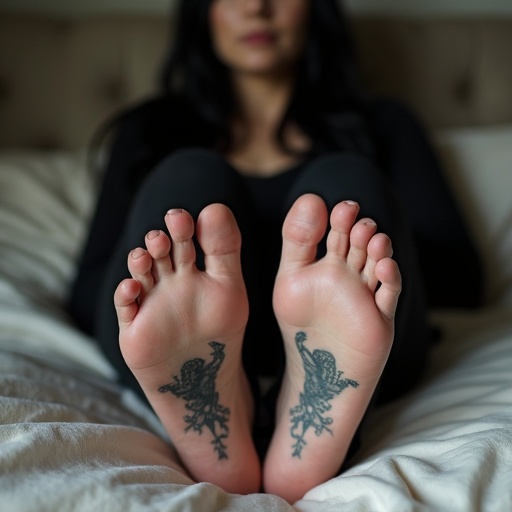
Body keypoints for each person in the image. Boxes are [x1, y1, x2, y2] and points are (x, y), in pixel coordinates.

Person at [67, 0, 483, 503]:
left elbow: (461, 277)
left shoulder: (382, 124)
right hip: (186, 326)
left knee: (343, 183)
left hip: (365, 335)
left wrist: (345, 254)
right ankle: (233, 400)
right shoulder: (152, 129)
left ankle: (290, 398)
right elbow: (90, 288)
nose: (257, 7)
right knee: (189, 179)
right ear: (204, 12)